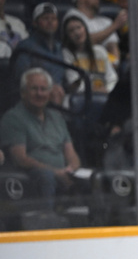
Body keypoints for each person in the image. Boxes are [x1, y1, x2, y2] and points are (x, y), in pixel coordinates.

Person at [0, 68, 82, 213]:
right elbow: (21, 159)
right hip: (34, 175)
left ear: (49, 93)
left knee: (91, 179)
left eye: (43, 89)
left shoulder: (57, 118)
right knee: (46, 177)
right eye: (34, 89)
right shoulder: (13, 118)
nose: (39, 93)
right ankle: (47, 219)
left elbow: (71, 153)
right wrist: (56, 172)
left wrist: (71, 169)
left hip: (62, 174)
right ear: (23, 92)